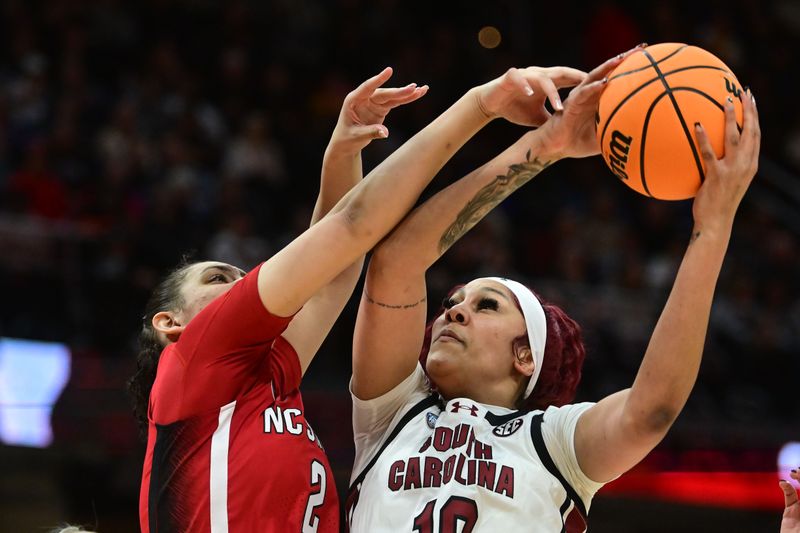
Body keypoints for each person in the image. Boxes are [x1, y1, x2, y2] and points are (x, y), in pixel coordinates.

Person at [345, 50, 761, 532]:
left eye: (486, 306)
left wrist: (712, 228)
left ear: (526, 356)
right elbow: (397, 262)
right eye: (451, 305)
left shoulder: (553, 440)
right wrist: (544, 146)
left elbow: (651, 410)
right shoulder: (391, 414)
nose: (453, 314)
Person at [129, 63, 553, 533]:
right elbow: (354, 226)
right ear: (171, 323)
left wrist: (344, 151)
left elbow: (335, 273)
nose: (243, 283)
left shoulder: (266, 385)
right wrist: (480, 106)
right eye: (218, 278)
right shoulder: (197, 359)